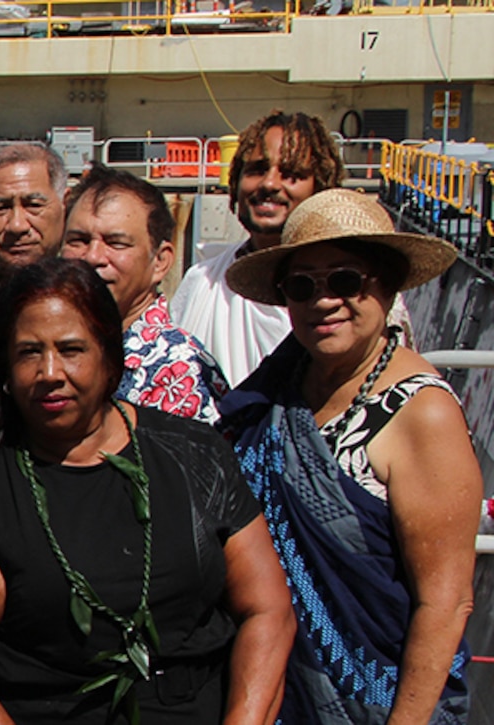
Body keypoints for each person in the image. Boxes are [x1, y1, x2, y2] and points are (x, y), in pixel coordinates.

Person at [0, 257, 295, 724]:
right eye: (29, 352)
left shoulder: (195, 454)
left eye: (71, 349)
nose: (50, 371)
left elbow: (268, 611)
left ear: (110, 357)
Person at [218, 189, 476, 724]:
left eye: (345, 280)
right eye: (302, 286)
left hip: (380, 702)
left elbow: (445, 604)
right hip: (276, 692)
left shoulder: (420, 413)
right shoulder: (278, 390)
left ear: (384, 284)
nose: (323, 301)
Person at [171, 111, 344, 385]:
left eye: (291, 174)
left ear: (320, 188)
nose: (270, 184)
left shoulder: (347, 289)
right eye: (257, 170)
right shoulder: (202, 282)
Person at [60, 163, 229, 423]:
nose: (93, 257)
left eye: (116, 243)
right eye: (78, 240)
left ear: (160, 261)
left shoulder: (180, 370)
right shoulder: (52, 350)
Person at [0, 143, 69, 270]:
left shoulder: (93, 280)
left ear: (65, 203)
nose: (17, 226)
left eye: (33, 205)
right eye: (2, 208)